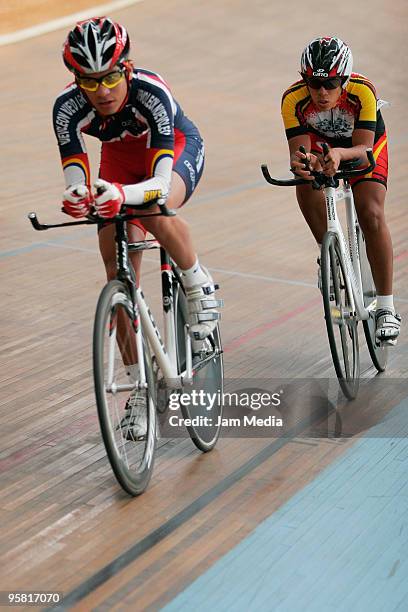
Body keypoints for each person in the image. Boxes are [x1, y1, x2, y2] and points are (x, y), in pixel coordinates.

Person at [53, 16, 222, 439]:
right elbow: (77, 177)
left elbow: (160, 185)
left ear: (126, 68)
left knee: (153, 208)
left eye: (110, 77)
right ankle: (139, 391)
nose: (103, 91)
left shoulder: (153, 93)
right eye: (89, 83)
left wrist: (120, 196)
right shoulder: (66, 109)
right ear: (76, 80)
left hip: (172, 151)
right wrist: (79, 197)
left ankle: (196, 281)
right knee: (118, 275)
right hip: (120, 162)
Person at [281, 36, 401, 345]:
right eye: (314, 83)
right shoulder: (292, 100)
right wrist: (305, 162)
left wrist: (338, 155)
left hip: (363, 144)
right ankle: (330, 253)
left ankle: (386, 307)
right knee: (305, 183)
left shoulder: (362, 91)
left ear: (344, 79)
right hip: (323, 145)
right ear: (303, 78)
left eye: (331, 83)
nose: (322, 92)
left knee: (371, 213)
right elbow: (298, 153)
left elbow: (362, 149)